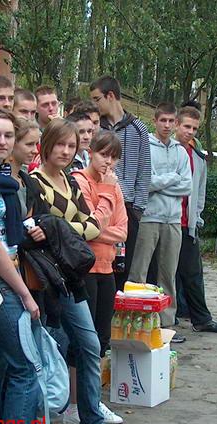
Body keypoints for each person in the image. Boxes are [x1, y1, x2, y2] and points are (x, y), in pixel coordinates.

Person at [30, 119, 130, 424]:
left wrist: (57, 228)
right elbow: (40, 229)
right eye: (60, 144)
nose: (65, 151)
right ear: (46, 144)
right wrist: (65, 230)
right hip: (44, 278)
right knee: (43, 353)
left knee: (89, 344)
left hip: (70, 276)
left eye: (71, 146)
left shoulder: (67, 181)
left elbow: (93, 226)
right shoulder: (35, 182)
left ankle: (92, 422)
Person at [0, 110, 50, 424]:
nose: (3, 142)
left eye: (8, 135)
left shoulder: (4, 178)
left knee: (2, 366)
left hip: (9, 275)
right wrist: (23, 293)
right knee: (24, 367)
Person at [127, 103, 191, 340]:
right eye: (163, 120)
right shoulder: (146, 147)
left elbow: (187, 186)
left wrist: (161, 183)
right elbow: (145, 183)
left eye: (171, 121)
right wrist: (172, 178)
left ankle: (166, 324)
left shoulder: (180, 152)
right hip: (149, 217)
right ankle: (134, 321)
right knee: (139, 272)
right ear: (155, 121)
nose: (167, 125)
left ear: (176, 123)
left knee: (168, 274)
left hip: (173, 220)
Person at [90, 76, 150, 292]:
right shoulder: (97, 128)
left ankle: (117, 308)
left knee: (123, 267)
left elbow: (144, 171)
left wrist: (138, 209)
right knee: (100, 262)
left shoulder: (138, 128)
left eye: (97, 99)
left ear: (110, 96)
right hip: (100, 203)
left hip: (128, 208)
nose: (95, 104)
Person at [72, 131, 127, 357]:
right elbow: (89, 228)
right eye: (103, 155)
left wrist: (98, 230)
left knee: (104, 335)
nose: (108, 162)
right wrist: (106, 193)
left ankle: (98, 375)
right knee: (85, 337)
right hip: (86, 265)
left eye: (114, 157)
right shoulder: (79, 181)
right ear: (90, 152)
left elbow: (123, 231)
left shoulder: (114, 185)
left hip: (107, 267)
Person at [173, 106, 217, 333]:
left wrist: (197, 217)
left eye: (194, 128)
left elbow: (200, 191)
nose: (190, 131)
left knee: (193, 273)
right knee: (164, 274)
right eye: (187, 126)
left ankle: (202, 319)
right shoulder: (168, 150)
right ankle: (168, 318)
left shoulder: (198, 157)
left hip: (188, 224)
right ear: (177, 124)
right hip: (167, 220)